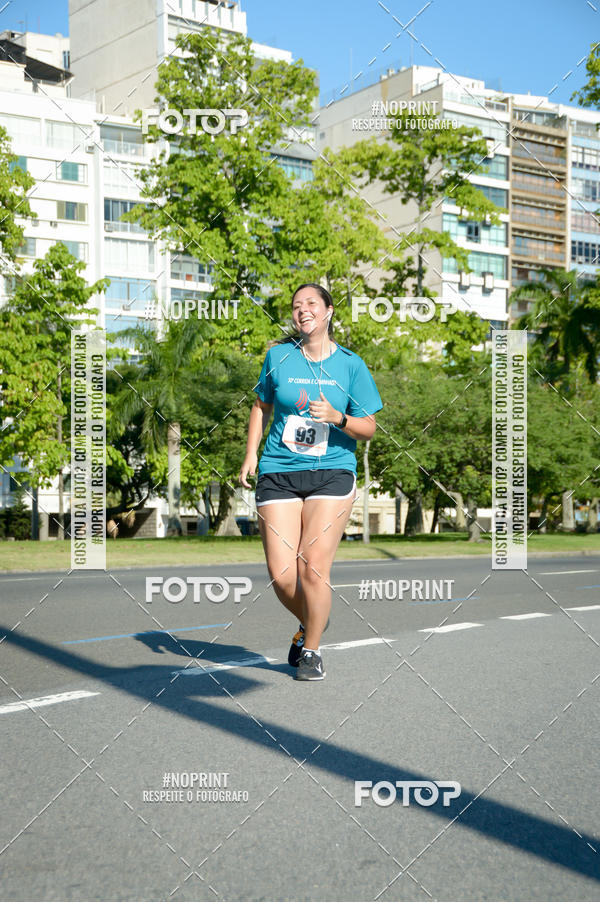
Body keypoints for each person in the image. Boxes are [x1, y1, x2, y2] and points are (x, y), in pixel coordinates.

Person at [239, 283, 382, 681]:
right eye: (296, 306)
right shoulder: (278, 357)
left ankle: (312, 650)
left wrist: (339, 418)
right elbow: (260, 405)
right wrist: (251, 454)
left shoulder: (351, 365)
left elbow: (369, 427)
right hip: (279, 470)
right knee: (282, 575)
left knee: (312, 568)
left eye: (311, 304)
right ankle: (312, 620)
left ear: (329, 311)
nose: (302, 311)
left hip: (332, 471)